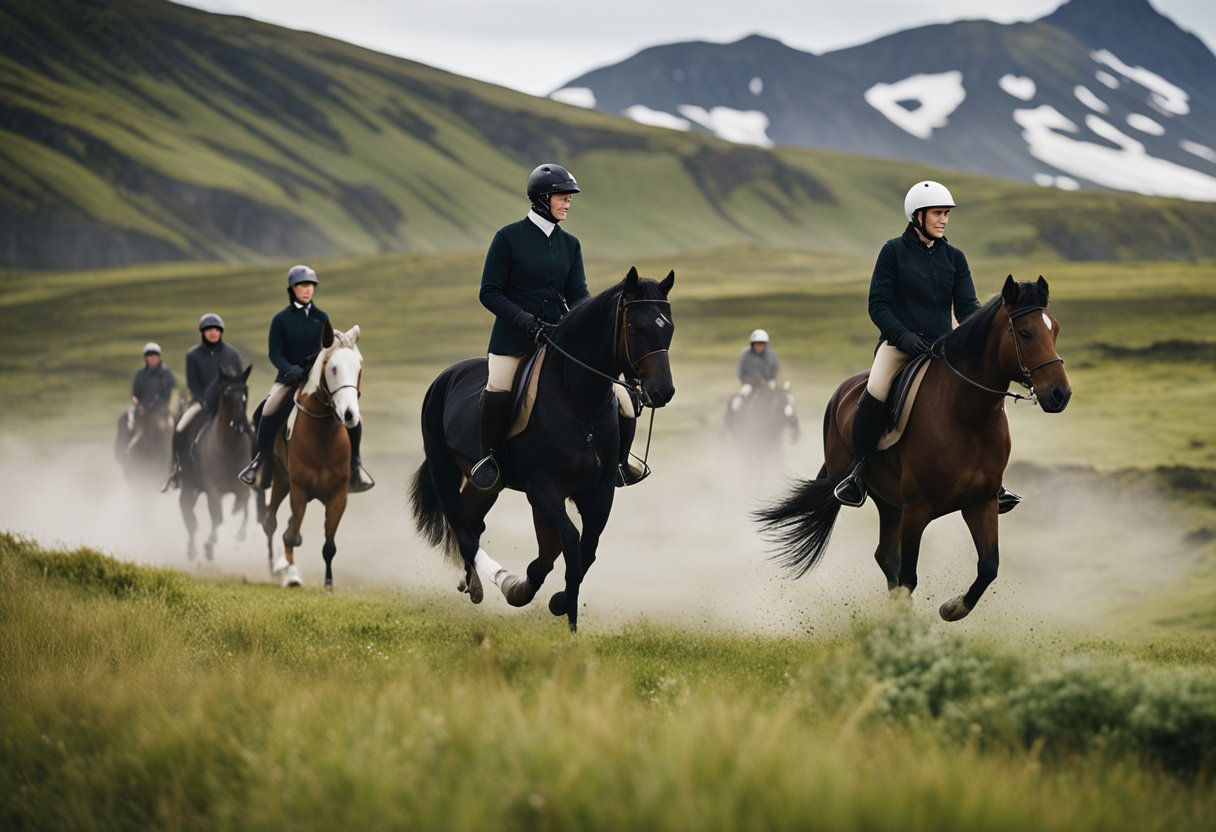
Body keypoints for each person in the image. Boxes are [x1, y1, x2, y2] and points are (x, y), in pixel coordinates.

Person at [833, 181, 1022, 513]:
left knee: (981, 398)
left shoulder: (955, 258)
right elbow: (878, 305)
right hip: (899, 346)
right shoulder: (892, 251)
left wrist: (979, 331)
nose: (944, 220)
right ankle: (858, 472)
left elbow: (966, 309)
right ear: (917, 216)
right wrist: (904, 337)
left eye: (946, 214)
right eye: (938, 213)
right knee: (875, 390)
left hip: (944, 348)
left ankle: (991, 479)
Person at [470, 162, 646, 491]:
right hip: (513, 339)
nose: (568, 204)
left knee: (622, 398)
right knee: (498, 387)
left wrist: (586, 322)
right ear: (542, 199)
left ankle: (619, 463)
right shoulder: (508, 238)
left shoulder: (571, 244)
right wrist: (525, 321)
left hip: (561, 338)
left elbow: (578, 293)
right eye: (562, 198)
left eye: (569, 199)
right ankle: (489, 459)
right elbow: (489, 292)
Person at [237, 265, 375, 492]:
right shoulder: (280, 320)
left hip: (317, 380)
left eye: (310, 285)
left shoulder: (322, 318)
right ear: (292, 289)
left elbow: (327, 350)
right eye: (302, 285)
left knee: (351, 414)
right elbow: (275, 353)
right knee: (264, 411)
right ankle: (261, 462)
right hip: (288, 379)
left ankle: (356, 465)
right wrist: (291, 371)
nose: (307, 290)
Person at [162, 314, 242, 490]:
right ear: (202, 333)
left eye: (216, 330)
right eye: (209, 330)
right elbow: (193, 383)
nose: (213, 333)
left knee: (248, 430)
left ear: (221, 332)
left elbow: (239, 381)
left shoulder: (232, 355)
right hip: (201, 402)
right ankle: (177, 469)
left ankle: (254, 468)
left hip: (227, 404)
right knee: (180, 428)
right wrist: (204, 400)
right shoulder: (193, 355)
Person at [129, 342, 176, 427]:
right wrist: (139, 406)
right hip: (143, 411)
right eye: (149, 355)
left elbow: (174, 393)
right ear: (145, 357)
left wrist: (170, 409)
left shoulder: (166, 375)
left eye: (155, 355)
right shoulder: (140, 375)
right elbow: (134, 395)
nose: (152, 358)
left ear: (159, 356)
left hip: (163, 412)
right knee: (130, 424)